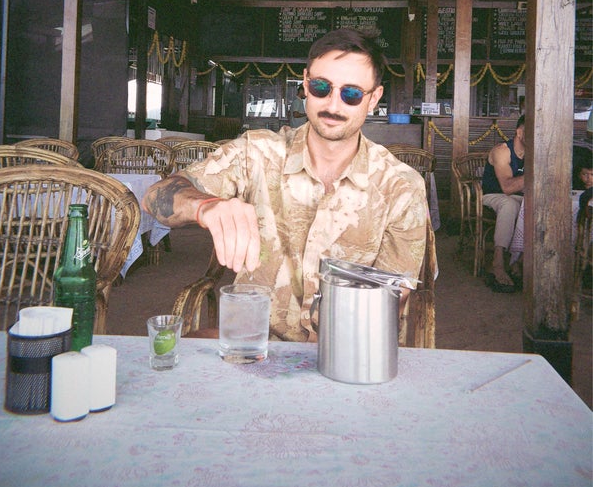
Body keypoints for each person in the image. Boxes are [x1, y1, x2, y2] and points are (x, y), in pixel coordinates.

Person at [142, 27, 430, 342]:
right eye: (321, 87)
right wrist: (206, 207)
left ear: (373, 98)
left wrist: (312, 356)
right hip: (254, 343)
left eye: (351, 94)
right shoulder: (256, 153)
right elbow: (156, 197)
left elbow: (392, 295)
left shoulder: (400, 186)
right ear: (305, 84)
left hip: (349, 349)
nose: (333, 105)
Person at [482, 114, 525, 293]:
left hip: (520, 197)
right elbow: (507, 188)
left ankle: (519, 262)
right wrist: (536, 171)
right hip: (494, 195)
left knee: (538, 207)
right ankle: (497, 262)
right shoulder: (502, 151)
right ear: (520, 132)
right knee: (509, 204)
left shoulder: (534, 153)